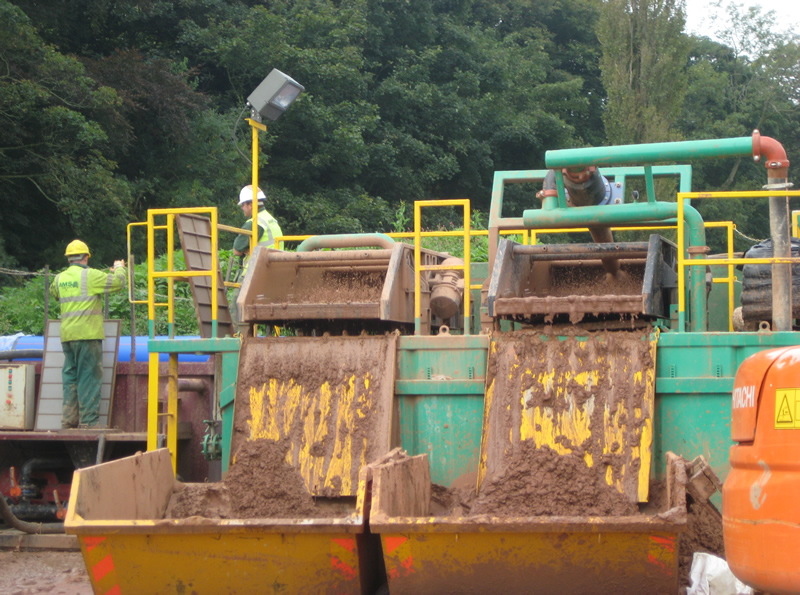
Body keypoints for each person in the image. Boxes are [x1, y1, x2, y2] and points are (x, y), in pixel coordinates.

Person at [50, 240, 126, 429]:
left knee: (70, 377)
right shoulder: (90, 276)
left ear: (68, 258)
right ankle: (89, 423)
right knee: (89, 377)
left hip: (67, 337)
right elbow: (119, 283)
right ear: (86, 257)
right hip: (88, 335)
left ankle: (69, 421)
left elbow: (55, 293)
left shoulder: (59, 278)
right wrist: (119, 268)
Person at [230, 185, 284, 330]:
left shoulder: (255, 222)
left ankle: (238, 344)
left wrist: (245, 250)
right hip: (274, 272)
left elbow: (236, 250)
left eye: (243, 205)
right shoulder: (271, 220)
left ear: (251, 204)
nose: (242, 208)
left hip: (253, 272)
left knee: (237, 308)